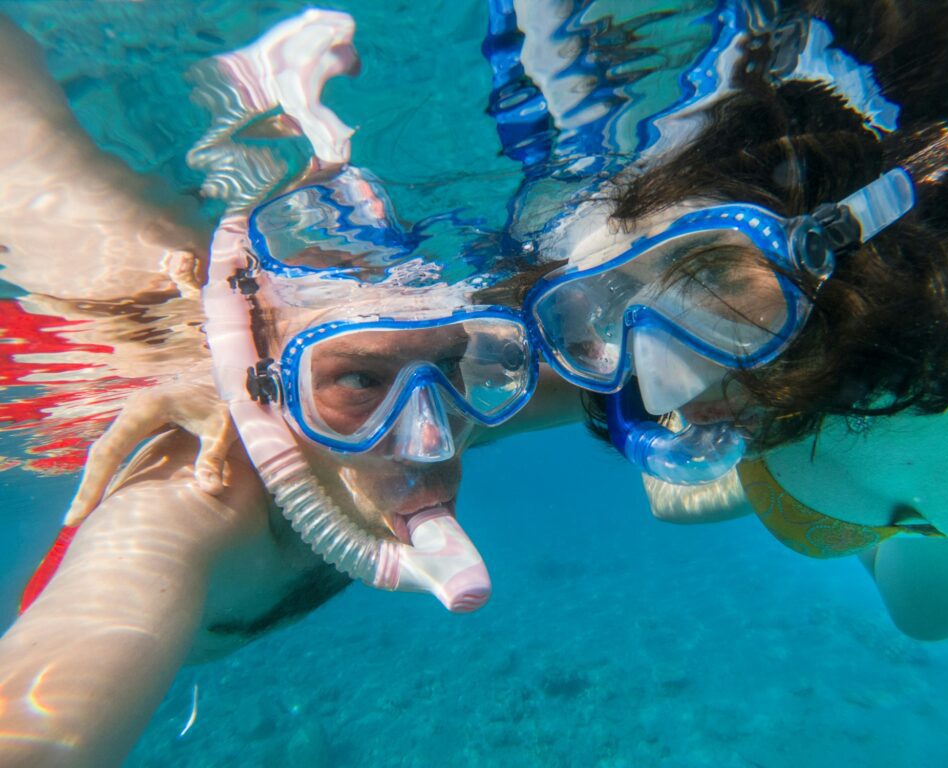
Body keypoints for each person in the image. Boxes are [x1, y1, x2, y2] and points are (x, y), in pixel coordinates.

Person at [0, 11, 580, 766]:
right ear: (258, 389)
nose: (430, 439)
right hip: (90, 307)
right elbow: (56, 691)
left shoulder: (443, 412)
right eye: (360, 379)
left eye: (451, 364)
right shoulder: (192, 501)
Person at [511, 0, 948, 640]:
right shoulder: (728, 387)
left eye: (706, 278)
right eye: (602, 309)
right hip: (861, 490)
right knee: (923, 621)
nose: (663, 389)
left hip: (942, 499)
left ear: (839, 235)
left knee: (927, 619)